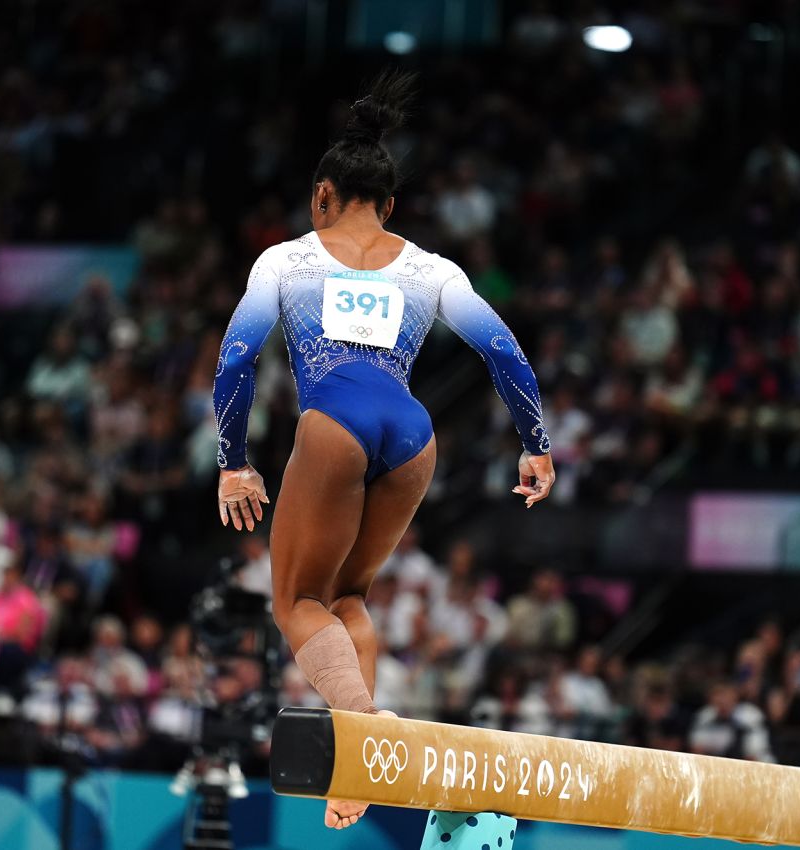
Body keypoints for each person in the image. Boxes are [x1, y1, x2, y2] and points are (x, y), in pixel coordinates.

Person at [213, 72, 554, 830]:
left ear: (321, 195)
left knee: (296, 602)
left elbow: (236, 361)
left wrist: (233, 461)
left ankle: (364, 726)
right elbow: (502, 348)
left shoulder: (286, 261)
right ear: (391, 205)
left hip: (332, 421)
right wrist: (535, 445)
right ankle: (358, 769)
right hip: (413, 434)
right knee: (349, 598)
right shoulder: (431, 270)